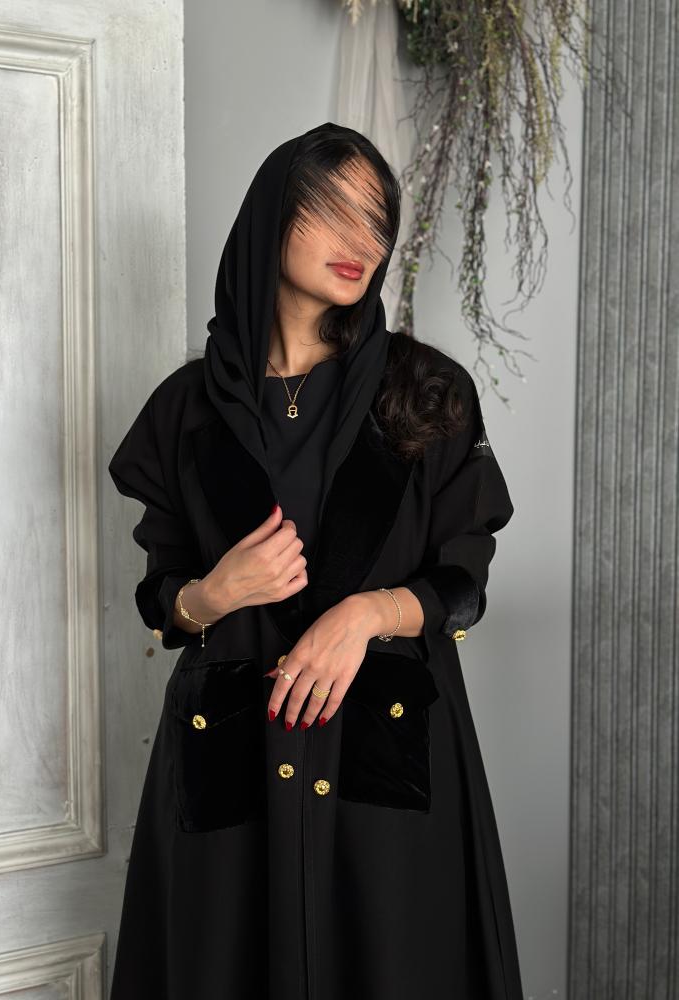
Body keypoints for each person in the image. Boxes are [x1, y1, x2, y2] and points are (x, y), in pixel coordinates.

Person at [107, 121, 525, 999]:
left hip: (384, 759)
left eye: (376, 220)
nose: (360, 240)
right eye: (332, 210)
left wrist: (365, 614)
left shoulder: (427, 393)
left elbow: (463, 582)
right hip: (231, 761)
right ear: (271, 217)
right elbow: (162, 597)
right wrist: (212, 595)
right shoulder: (184, 412)